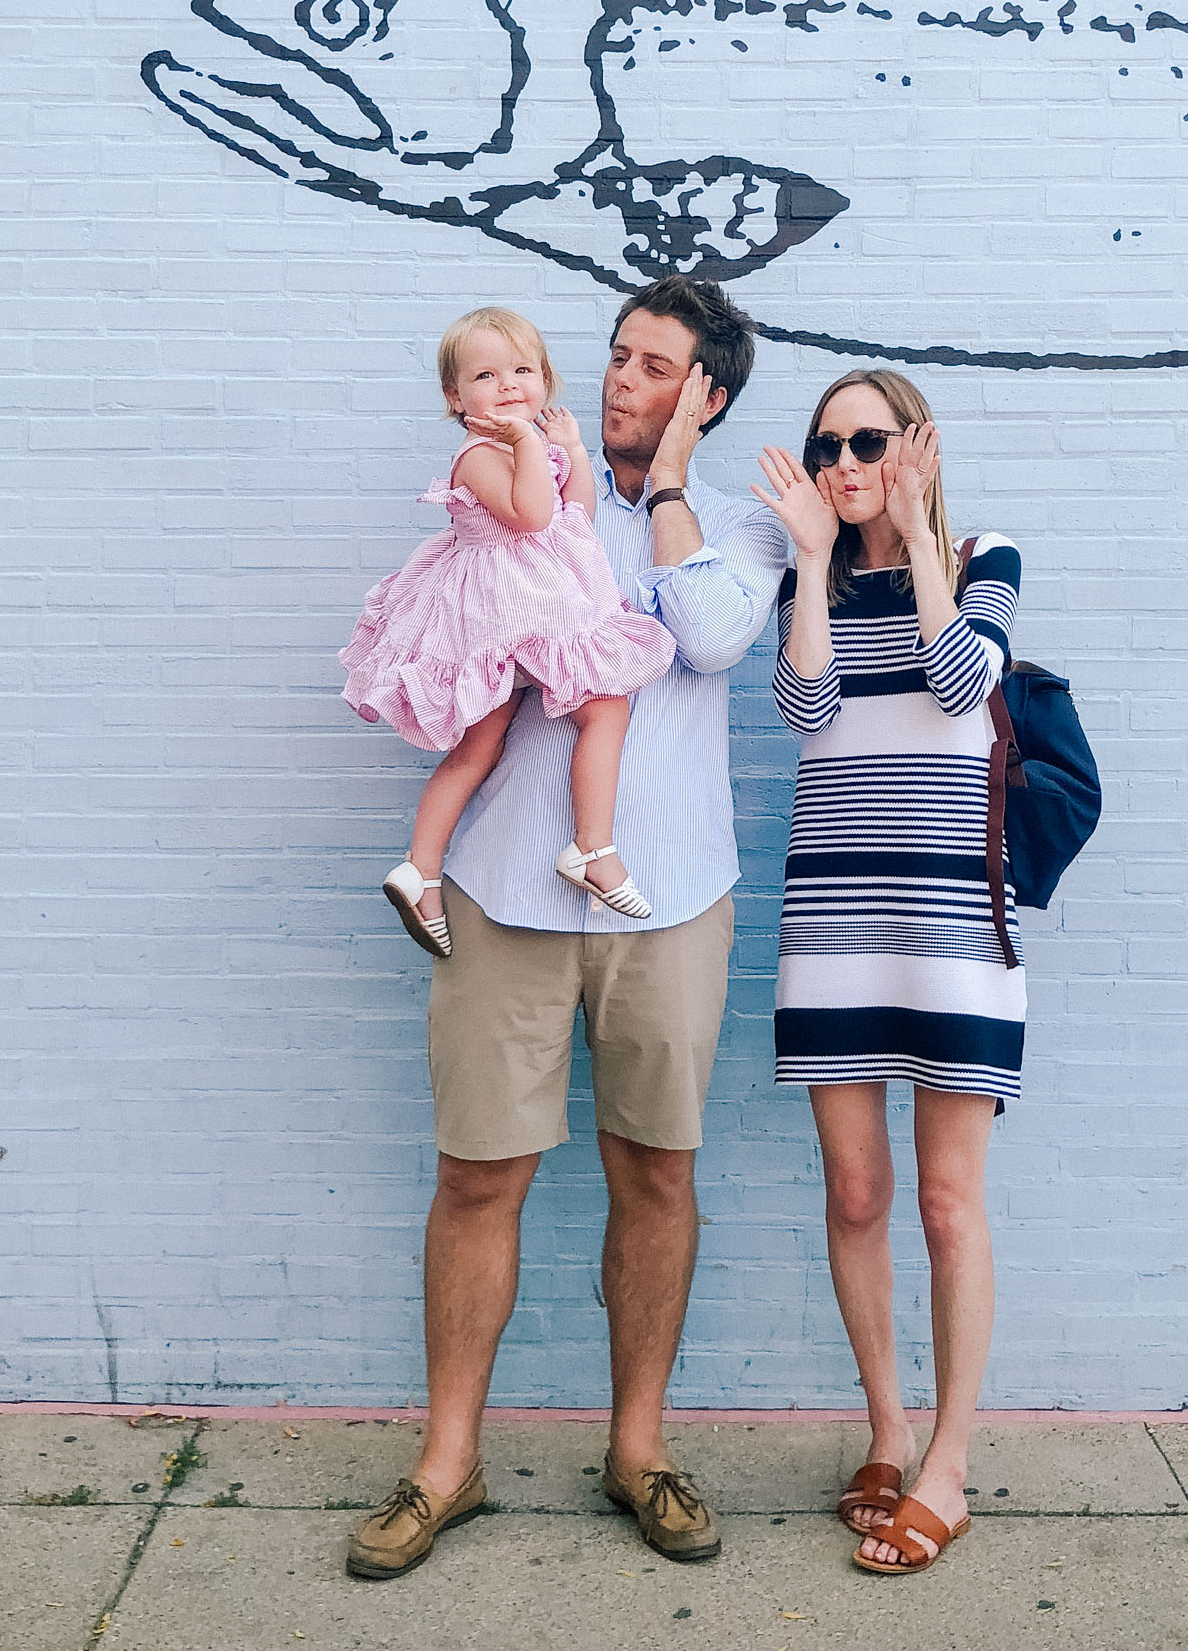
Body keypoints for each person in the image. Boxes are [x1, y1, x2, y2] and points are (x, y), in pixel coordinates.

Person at [345, 278, 788, 1583]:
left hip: (674, 898)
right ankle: (448, 1464)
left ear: (706, 394)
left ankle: (637, 1452)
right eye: (615, 357)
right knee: (480, 1176)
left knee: (657, 1173)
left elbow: (705, 637)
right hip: (506, 897)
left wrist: (670, 486)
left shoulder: (741, 531)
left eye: (656, 368)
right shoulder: (533, 497)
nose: (617, 381)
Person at [750, 368, 1024, 1579]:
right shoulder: (801, 572)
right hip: (834, 919)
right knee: (856, 1195)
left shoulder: (985, 553)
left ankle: (949, 1470)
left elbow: (963, 683)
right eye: (828, 445)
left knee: (945, 1203)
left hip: (953, 925)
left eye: (869, 439)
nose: (846, 460)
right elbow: (803, 705)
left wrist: (916, 538)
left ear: (915, 442)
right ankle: (886, 1431)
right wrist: (812, 561)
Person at [341, 306, 677, 954]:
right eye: (487, 375)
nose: (509, 385)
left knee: (533, 731)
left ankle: (437, 869)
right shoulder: (476, 455)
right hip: (507, 613)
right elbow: (529, 517)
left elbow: (574, 516)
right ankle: (576, 850)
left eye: (523, 370)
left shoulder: (530, 448)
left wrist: (572, 451)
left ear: (546, 381)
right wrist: (528, 444)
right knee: (557, 723)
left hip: (530, 605)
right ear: (456, 396)